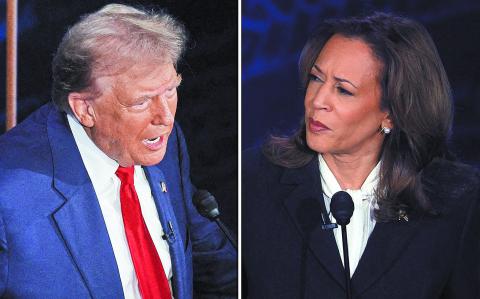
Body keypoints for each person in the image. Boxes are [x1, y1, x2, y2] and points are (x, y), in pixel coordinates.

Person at [0, 4, 237, 298]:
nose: (165, 117)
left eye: (170, 91)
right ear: (85, 109)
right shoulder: (9, 198)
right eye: (141, 102)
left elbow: (214, 265)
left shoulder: (162, 141)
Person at [243, 12, 480, 298]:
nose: (317, 101)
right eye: (316, 79)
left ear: (391, 113)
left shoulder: (458, 200)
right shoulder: (254, 181)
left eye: (343, 90)